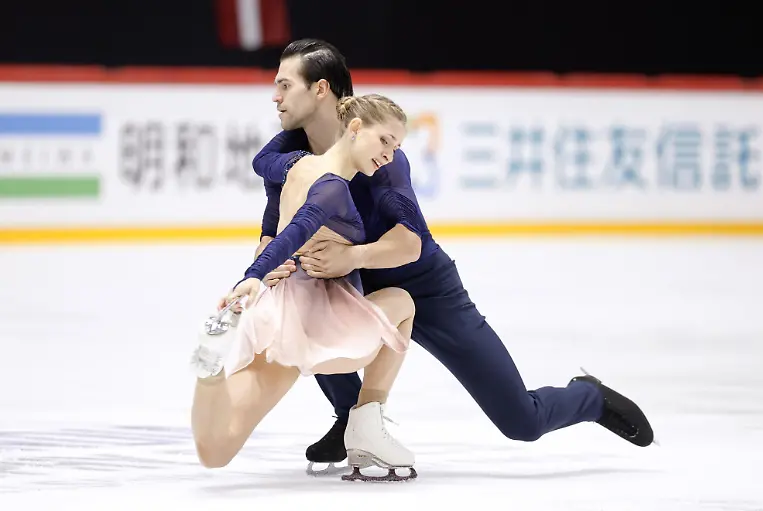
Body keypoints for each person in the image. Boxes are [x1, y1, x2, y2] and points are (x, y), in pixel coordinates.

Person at [252, 39, 656, 473]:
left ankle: (589, 396)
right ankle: (351, 418)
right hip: (356, 290)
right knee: (307, 307)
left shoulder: (383, 157)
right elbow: (272, 227)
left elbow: (411, 242)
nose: (275, 96)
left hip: (426, 288)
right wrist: (272, 263)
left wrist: (351, 257)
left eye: (285, 85)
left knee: (522, 421)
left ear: (320, 90)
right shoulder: (286, 159)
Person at [190, 93, 418, 482]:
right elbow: (299, 229)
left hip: (277, 314)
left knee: (215, 451)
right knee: (403, 303)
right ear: (355, 127)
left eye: (396, 147)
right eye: (385, 140)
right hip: (315, 318)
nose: (390, 155)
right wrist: (254, 274)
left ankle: (208, 372)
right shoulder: (334, 188)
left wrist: (256, 274)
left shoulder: (298, 166)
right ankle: (367, 425)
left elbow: (276, 200)